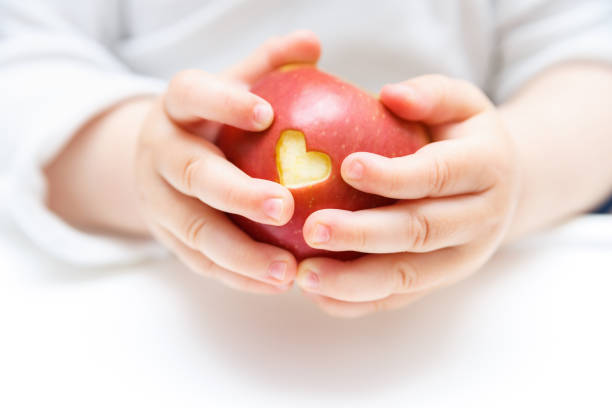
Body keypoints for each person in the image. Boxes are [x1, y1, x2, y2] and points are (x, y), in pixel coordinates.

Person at [1, 0, 611, 318]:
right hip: (153, 306)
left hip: (477, 310)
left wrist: (514, 180)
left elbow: (592, 69)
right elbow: (23, 73)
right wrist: (143, 168)